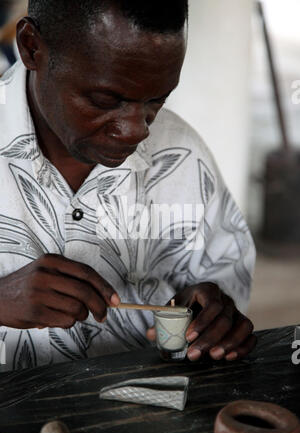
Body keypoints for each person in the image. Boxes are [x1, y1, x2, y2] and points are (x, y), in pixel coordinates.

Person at [0, 0, 256, 371]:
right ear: (31, 47)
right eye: (105, 99)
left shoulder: (181, 155)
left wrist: (212, 316)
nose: (138, 130)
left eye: (157, 99)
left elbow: (224, 280)